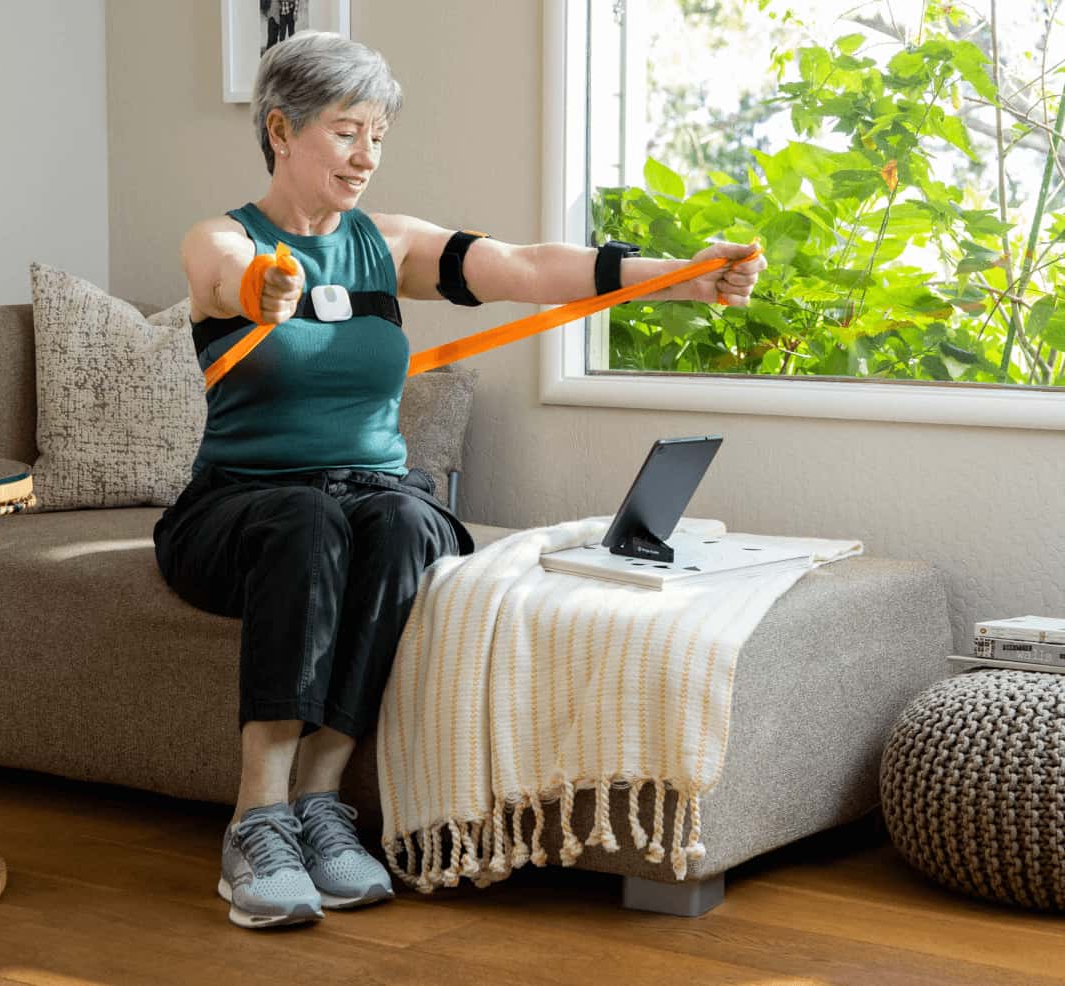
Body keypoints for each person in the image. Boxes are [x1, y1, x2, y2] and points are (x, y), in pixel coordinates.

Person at [154, 30, 766, 931]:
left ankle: (321, 808)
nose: (366, 156)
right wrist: (261, 291)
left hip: (372, 497)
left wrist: (678, 280)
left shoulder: (385, 245)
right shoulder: (224, 237)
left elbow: (521, 266)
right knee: (306, 522)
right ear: (280, 131)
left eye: (378, 135)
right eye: (345, 132)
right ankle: (257, 821)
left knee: (405, 524)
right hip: (242, 505)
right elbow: (218, 278)